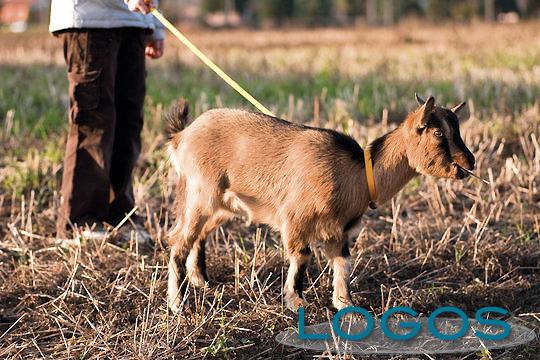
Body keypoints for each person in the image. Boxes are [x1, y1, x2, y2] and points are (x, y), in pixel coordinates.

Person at [50, 0, 164, 241]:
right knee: (93, 122)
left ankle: (120, 216)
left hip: (135, 23)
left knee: (129, 122)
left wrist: (154, 24)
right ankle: (80, 220)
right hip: (89, 19)